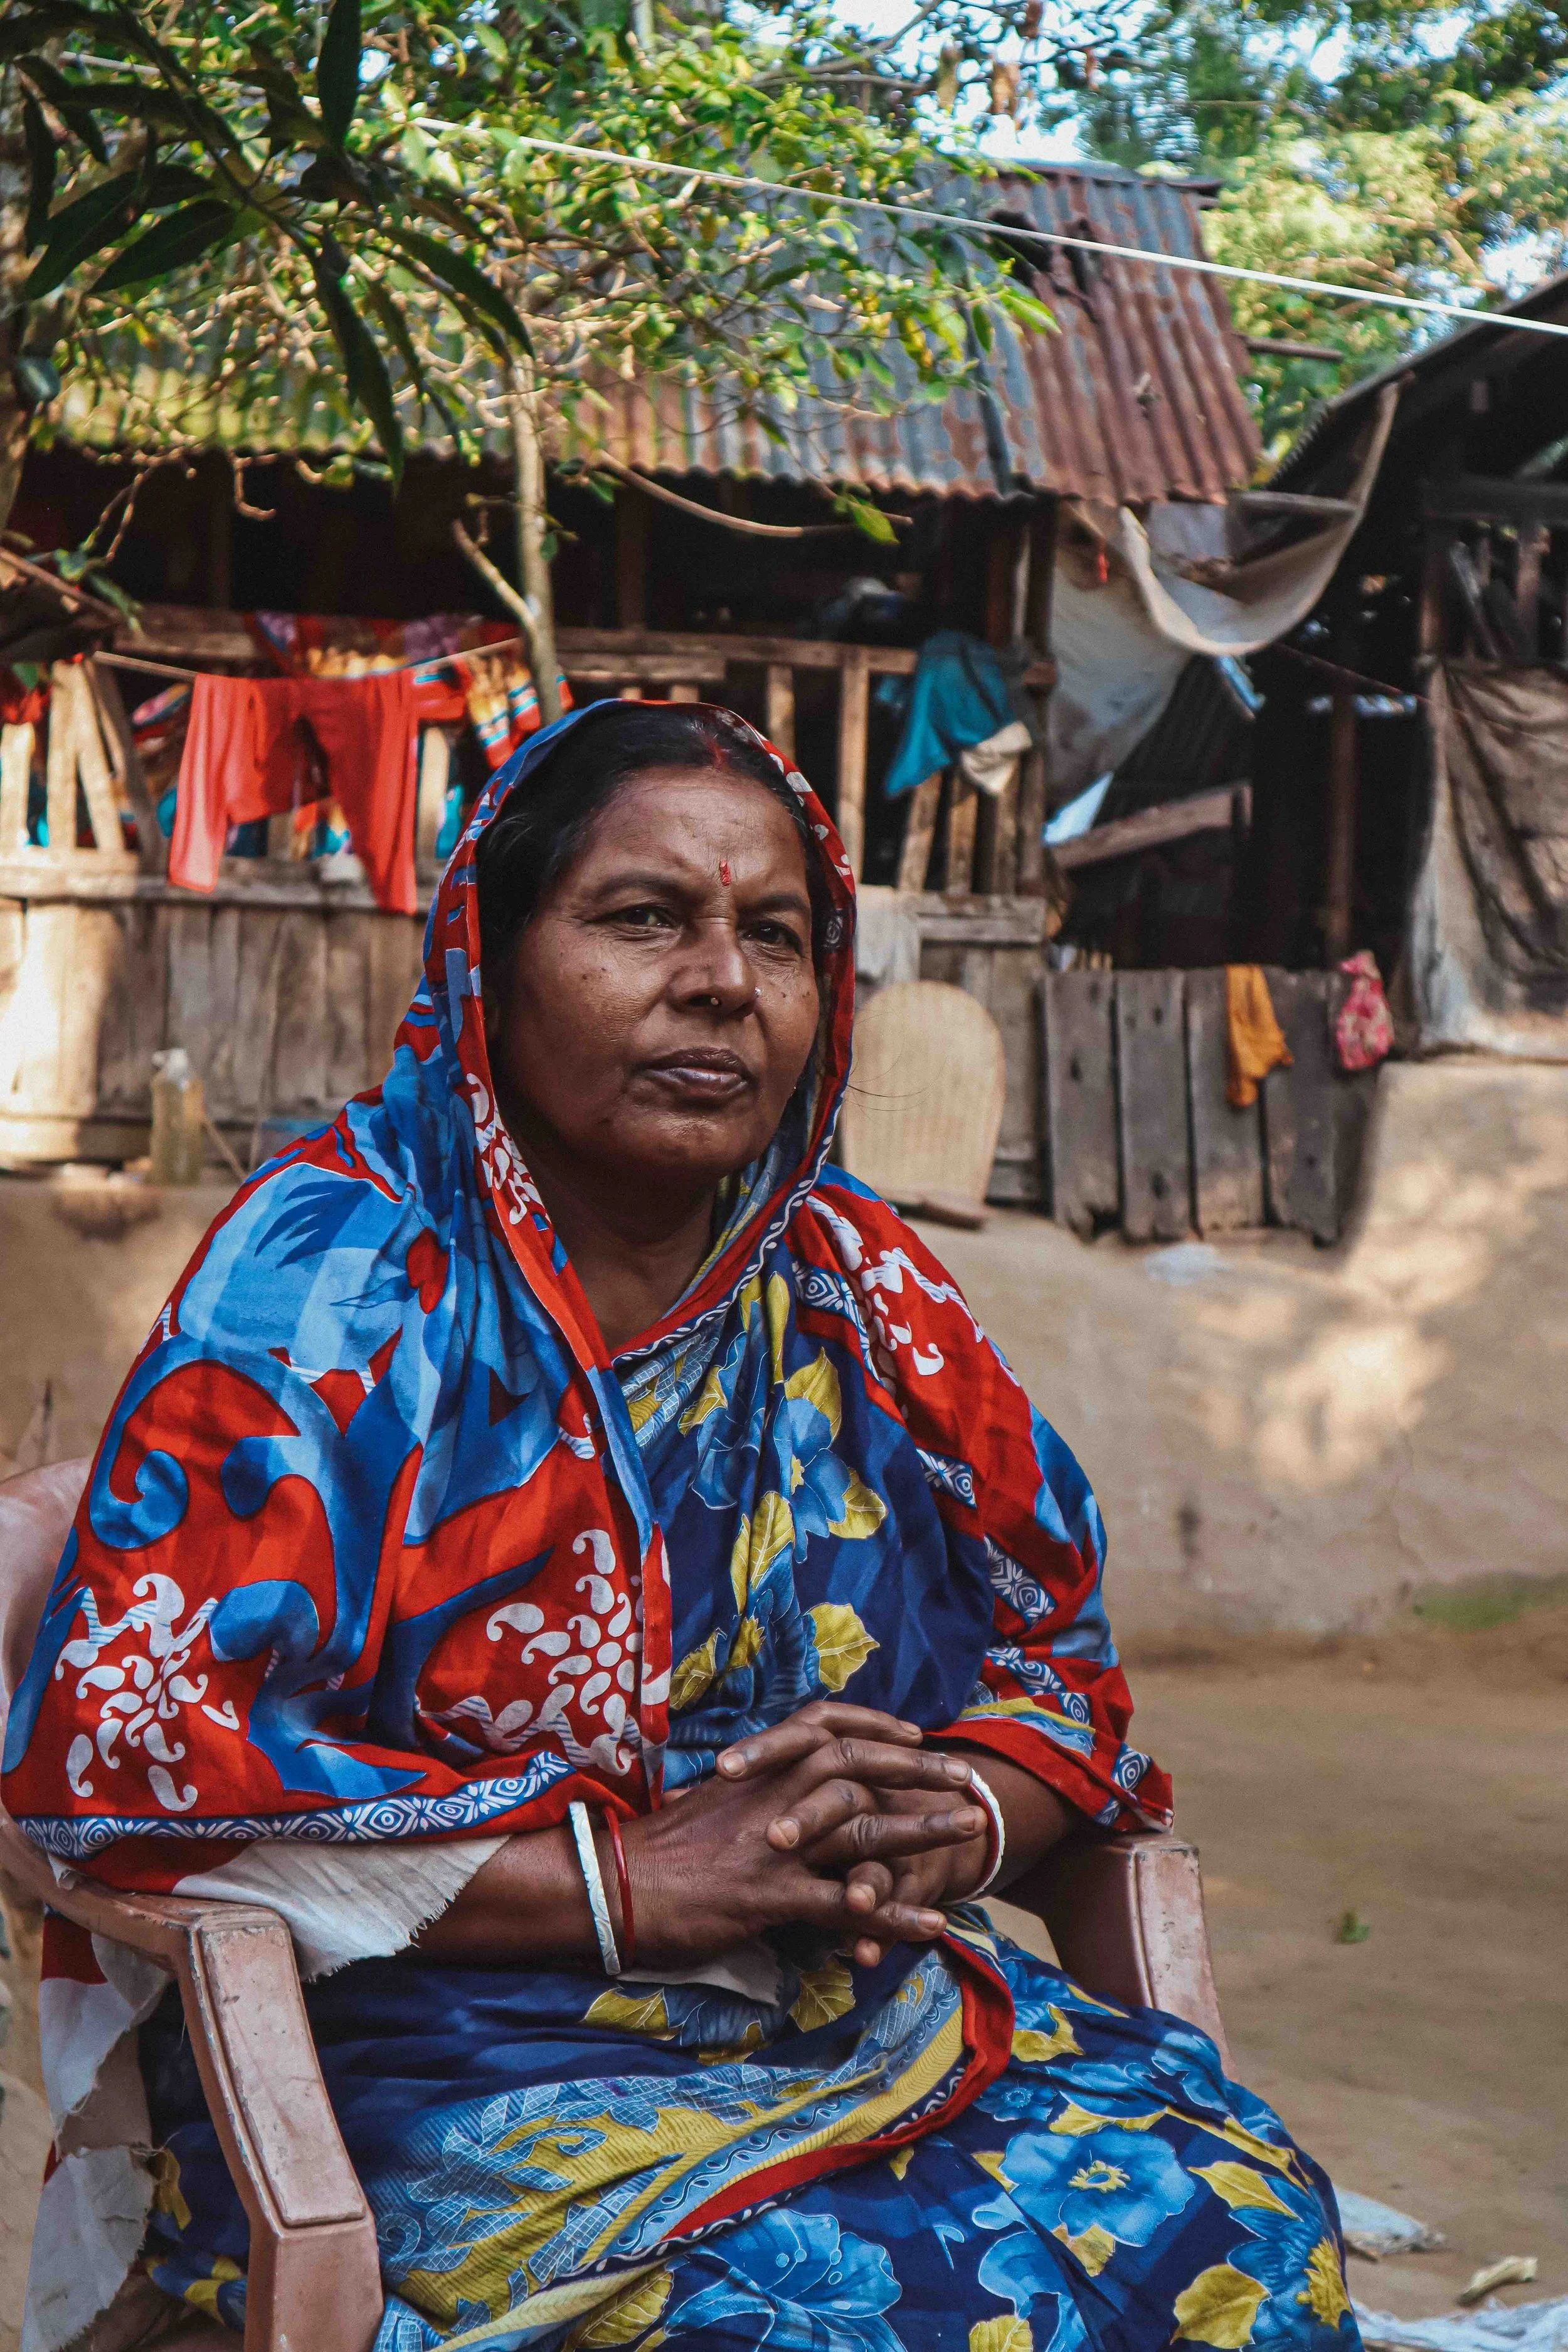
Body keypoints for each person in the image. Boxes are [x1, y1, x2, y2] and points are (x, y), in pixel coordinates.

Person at [4, 702, 1357, 2352]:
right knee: (828, 2318)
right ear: (486, 959)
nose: (722, 978)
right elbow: (130, 1765)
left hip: (843, 2000)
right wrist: (620, 1878)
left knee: (1228, 2219)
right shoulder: (332, 1286)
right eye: (643, 916)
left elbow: (1052, 1670)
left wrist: (960, 1820)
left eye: (774, 934)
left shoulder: (856, 1294)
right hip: (433, 2037)